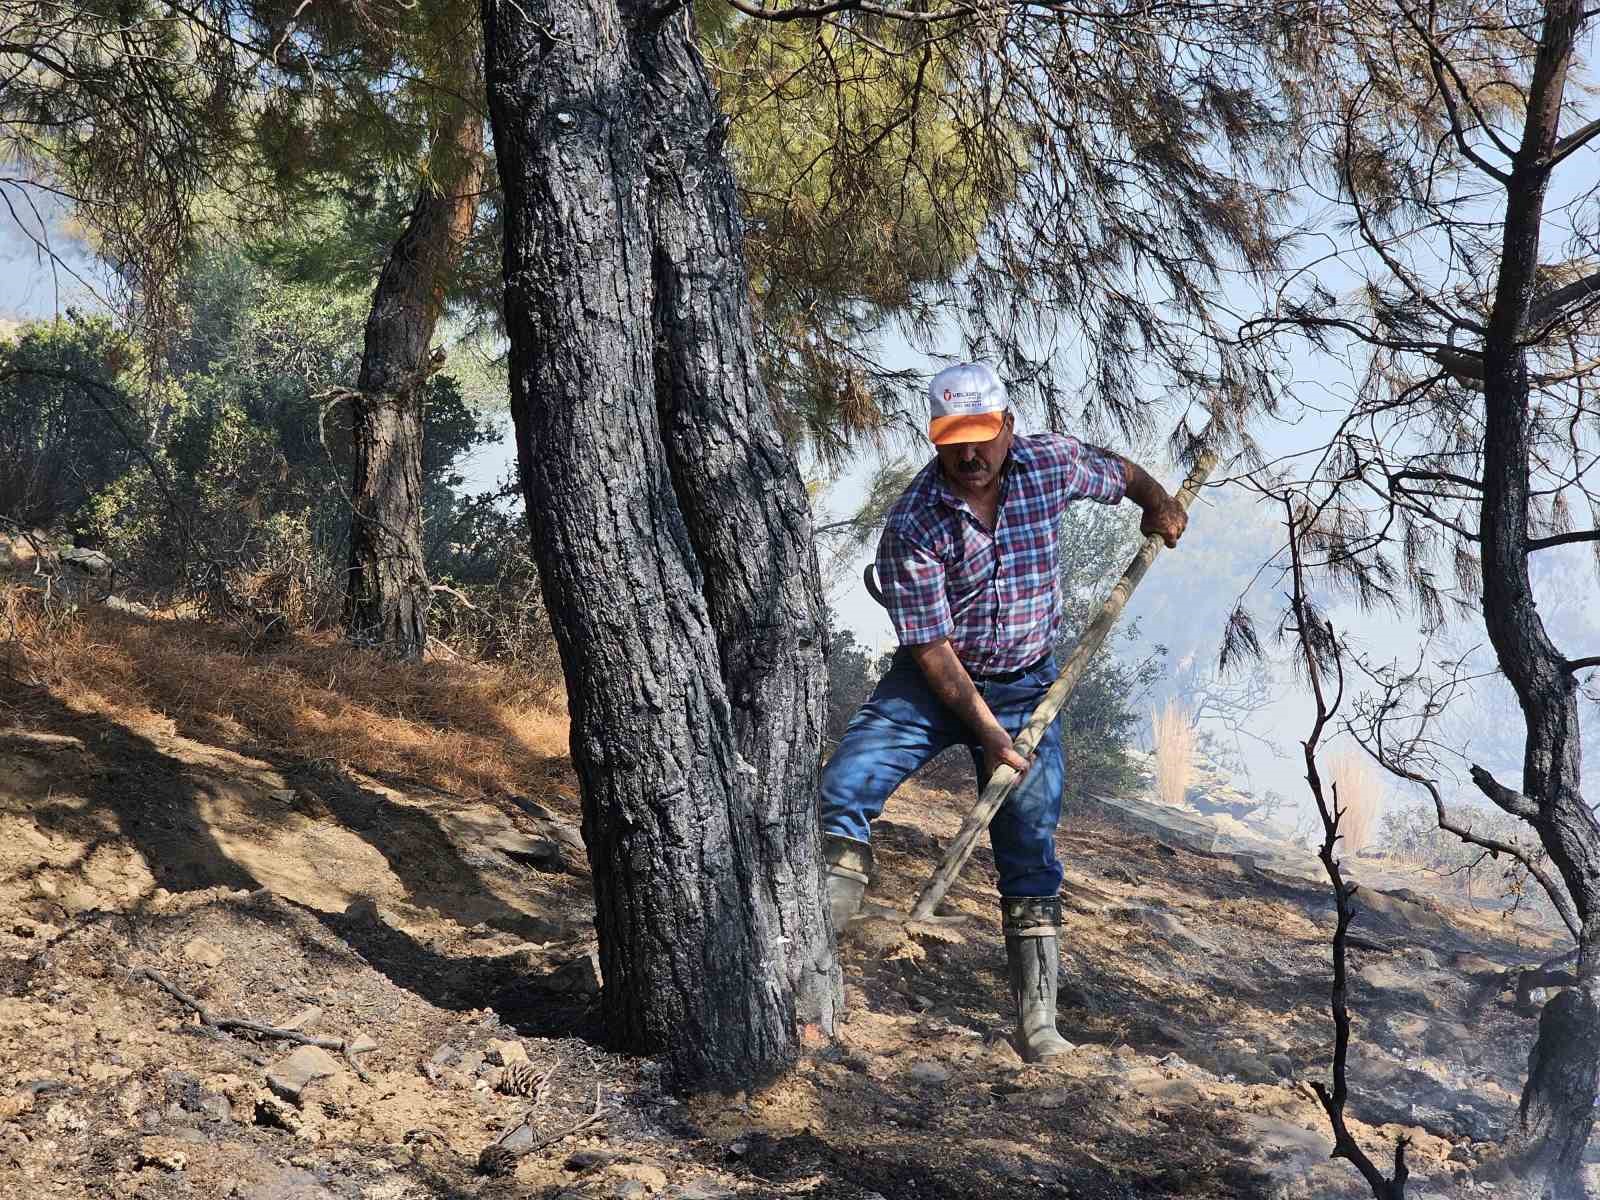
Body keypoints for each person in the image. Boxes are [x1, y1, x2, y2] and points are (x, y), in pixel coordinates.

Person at [819, 361, 1188, 1062]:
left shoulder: (1050, 463)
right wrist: (989, 735)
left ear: (1008, 426)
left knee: (1029, 843)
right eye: (954, 438)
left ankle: (1038, 1026)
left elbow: (1119, 473)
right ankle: (802, 980)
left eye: (982, 435)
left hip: (1027, 686)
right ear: (934, 439)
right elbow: (930, 650)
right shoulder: (913, 524)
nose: (970, 454)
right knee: (842, 790)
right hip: (930, 684)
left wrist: (1159, 501)